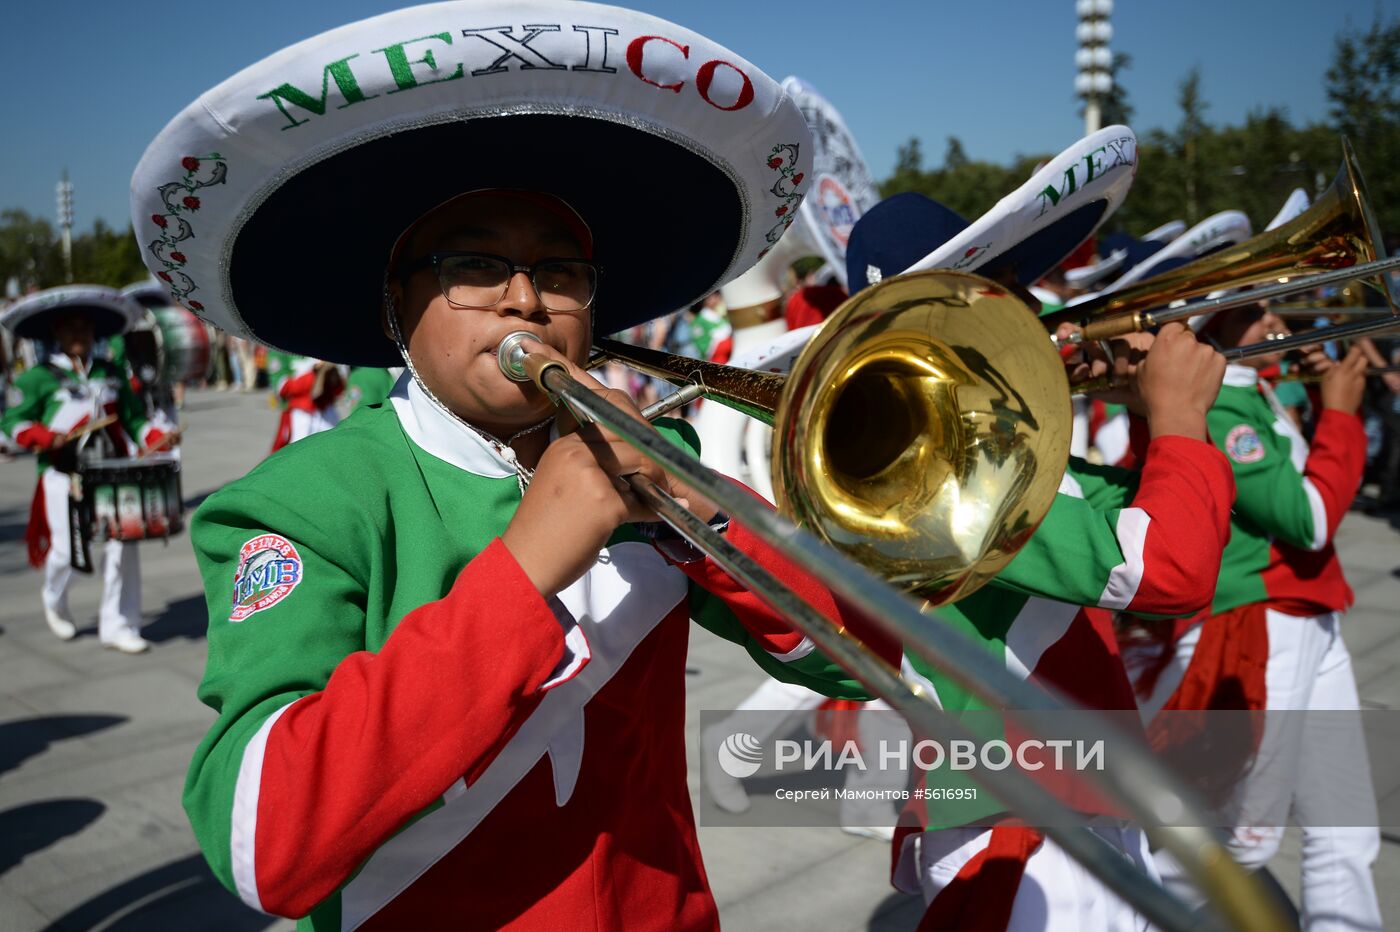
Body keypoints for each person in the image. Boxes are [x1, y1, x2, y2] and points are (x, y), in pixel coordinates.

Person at [133, 4, 882, 926]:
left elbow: (866, 660)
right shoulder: (299, 503)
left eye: (560, 274)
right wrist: (527, 568)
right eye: (475, 267)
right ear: (396, 308)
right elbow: (263, 841)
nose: (526, 299)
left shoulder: (652, 462)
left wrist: (703, 513)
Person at [1130, 302, 1382, 932]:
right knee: (1240, 834)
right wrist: (1341, 413)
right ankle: (1123, 914)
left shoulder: (1250, 385)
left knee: (1345, 830)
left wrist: (1321, 397)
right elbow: (1308, 520)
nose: (1274, 321)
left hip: (1307, 611)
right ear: (1212, 319)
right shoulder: (1219, 403)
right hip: (1262, 622)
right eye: (1256, 308)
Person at [0, 286, 171, 652]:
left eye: (85, 327)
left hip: (113, 472)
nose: (79, 334)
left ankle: (119, 624)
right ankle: (54, 597)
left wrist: (156, 436)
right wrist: (44, 437)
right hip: (64, 476)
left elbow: (133, 419)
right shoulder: (36, 377)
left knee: (122, 546)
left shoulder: (111, 371)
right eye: (71, 327)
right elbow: (12, 422)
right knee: (67, 552)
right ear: (57, 333)